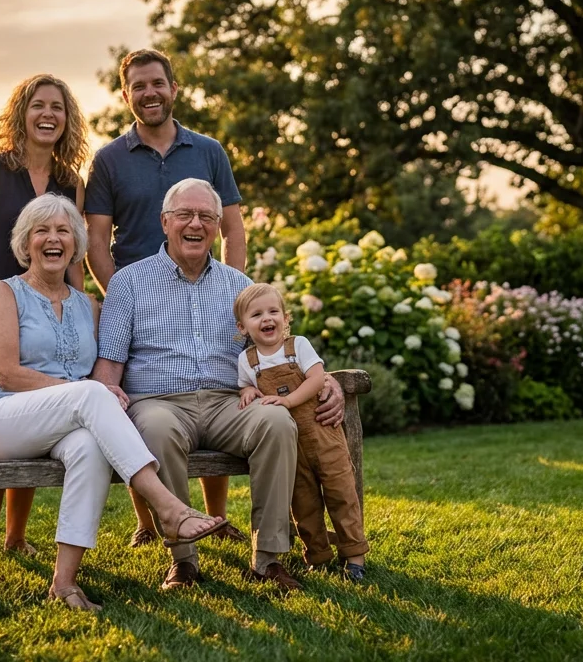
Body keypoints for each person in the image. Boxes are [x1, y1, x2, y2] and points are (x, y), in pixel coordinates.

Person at [0, 193, 228, 611]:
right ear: (26, 243)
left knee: (91, 447)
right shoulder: (4, 293)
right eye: (41, 231)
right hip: (0, 420)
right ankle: (168, 508)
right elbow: (6, 373)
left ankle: (64, 582)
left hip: (64, 423)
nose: (53, 239)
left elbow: (104, 368)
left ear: (75, 243)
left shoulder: (88, 306)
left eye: (63, 231)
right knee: (91, 391)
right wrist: (86, 392)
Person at [91, 178, 346, 591]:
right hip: (159, 402)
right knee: (155, 429)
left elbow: (278, 349)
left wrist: (326, 378)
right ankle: (183, 560)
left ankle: (268, 559)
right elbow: (110, 361)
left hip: (231, 402)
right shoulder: (129, 282)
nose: (196, 224)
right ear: (165, 222)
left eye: (206, 216)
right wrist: (105, 398)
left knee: (277, 423)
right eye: (185, 215)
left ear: (216, 226)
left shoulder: (238, 286)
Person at [83, 48, 247, 548]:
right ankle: (151, 521)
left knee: (213, 384)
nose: (149, 93)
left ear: (174, 89)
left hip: (206, 290)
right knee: (147, 401)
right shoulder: (109, 160)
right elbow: (96, 241)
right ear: (126, 94)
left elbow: (233, 229)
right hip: (139, 301)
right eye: (138, 86)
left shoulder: (209, 151)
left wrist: (231, 296)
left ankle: (214, 515)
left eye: (157, 83)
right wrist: (124, 300)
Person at [0, 74, 89, 560]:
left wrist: (79, 312)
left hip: (48, 313)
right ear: (21, 113)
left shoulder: (71, 181)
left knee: (37, 410)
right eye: (38, 105)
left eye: (57, 107)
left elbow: (73, 258)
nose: (47, 115)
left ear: (68, 119)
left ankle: (16, 535)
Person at [234, 284, 369, 581]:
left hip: (323, 435)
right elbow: (246, 386)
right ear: (242, 327)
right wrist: (247, 392)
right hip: (292, 447)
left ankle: (354, 557)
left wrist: (288, 401)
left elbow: (317, 378)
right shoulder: (248, 360)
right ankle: (318, 556)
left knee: (341, 494)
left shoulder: (298, 346)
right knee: (303, 504)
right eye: (256, 314)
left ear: (285, 318)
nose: (266, 318)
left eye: (273, 311)